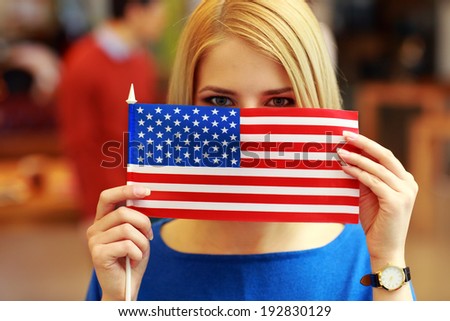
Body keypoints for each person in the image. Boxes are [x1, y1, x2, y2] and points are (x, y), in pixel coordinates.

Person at [86, 0, 418, 300]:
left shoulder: (369, 257)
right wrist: (118, 301)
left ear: (316, 102)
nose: (248, 134)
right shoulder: (132, 257)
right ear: (187, 105)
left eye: (280, 101)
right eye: (219, 101)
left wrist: (388, 262)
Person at [57, 0, 166, 222]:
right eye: (157, 13)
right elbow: (79, 141)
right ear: (135, 12)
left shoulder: (142, 60)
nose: (162, 22)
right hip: (106, 199)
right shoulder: (83, 62)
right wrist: (91, 209)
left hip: (142, 191)